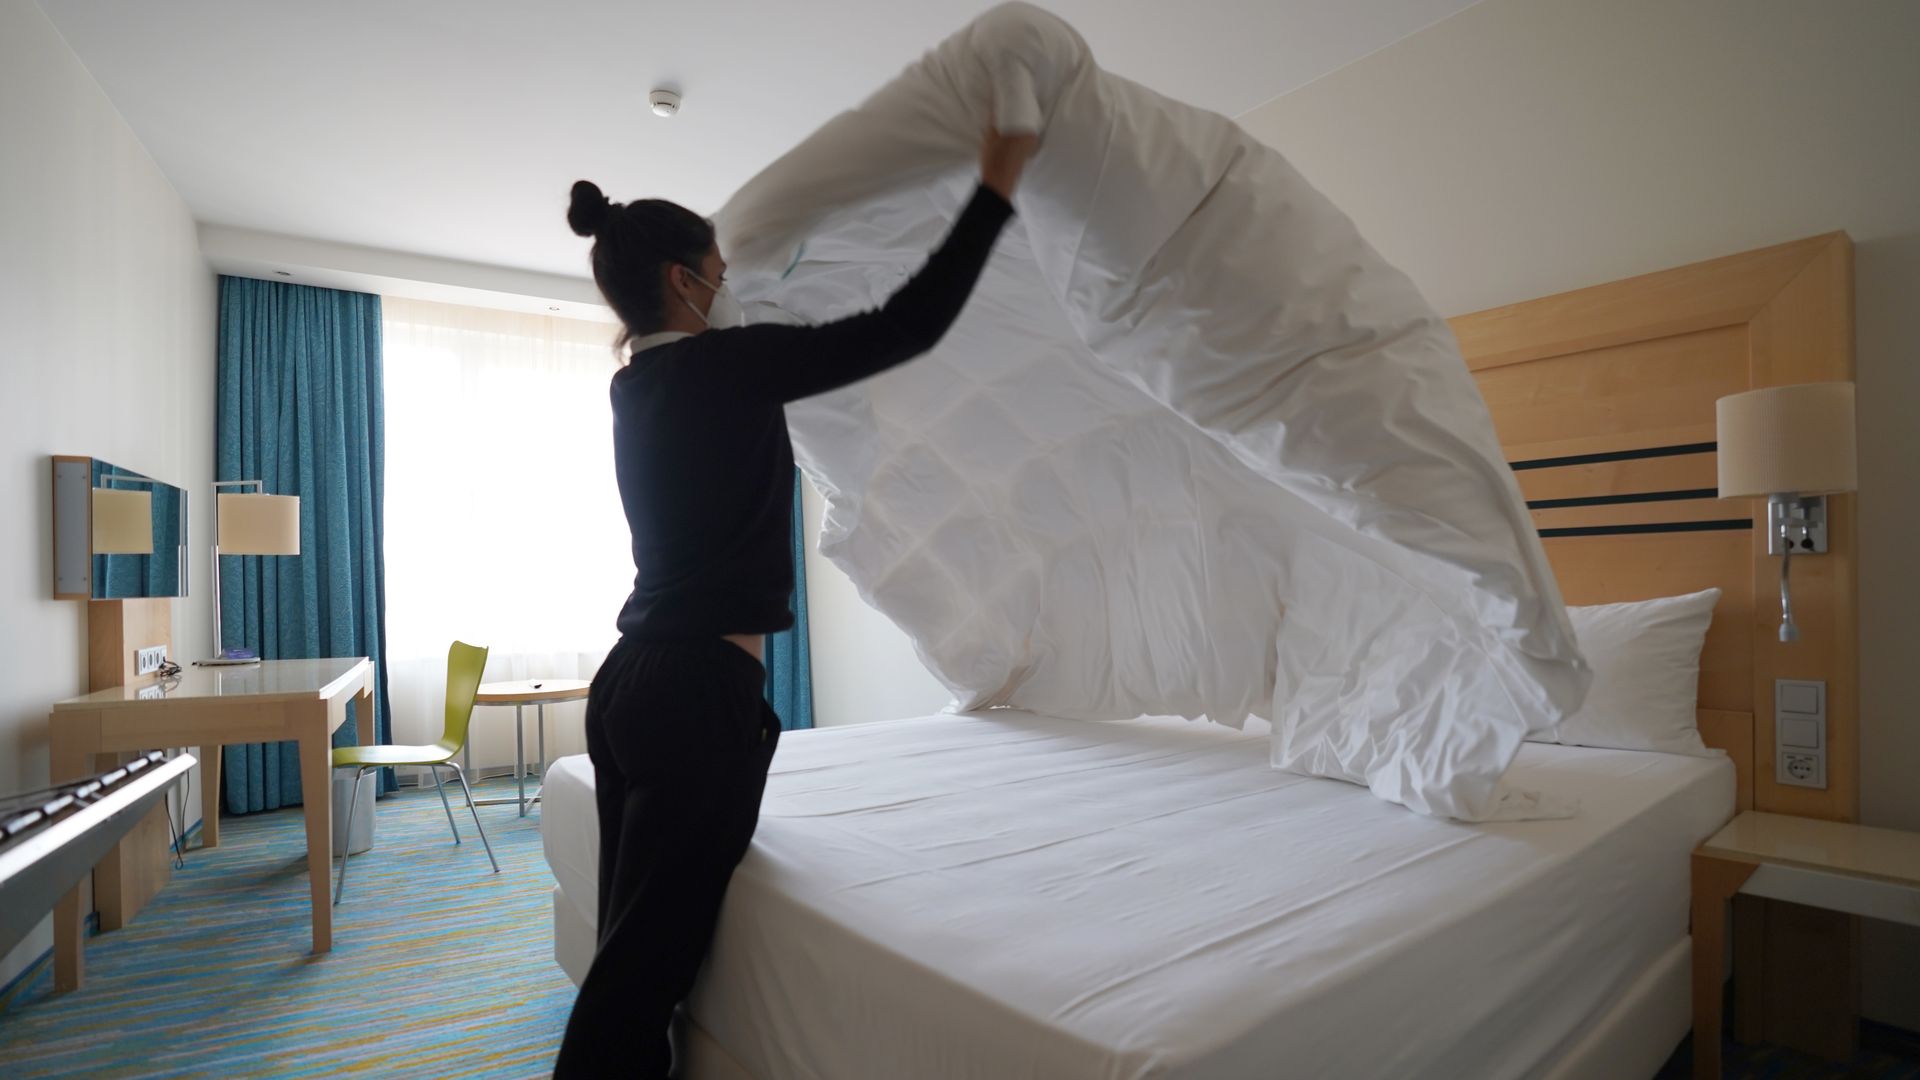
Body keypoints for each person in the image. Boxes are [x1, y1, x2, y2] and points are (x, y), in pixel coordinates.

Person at [553, 128, 1037, 1077]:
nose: (730, 285)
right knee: (638, 980)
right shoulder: (725, 369)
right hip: (695, 693)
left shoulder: (636, 387)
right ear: (685, 283)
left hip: (630, 685)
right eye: (720, 271)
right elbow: (905, 326)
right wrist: (995, 190)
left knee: (629, 958)